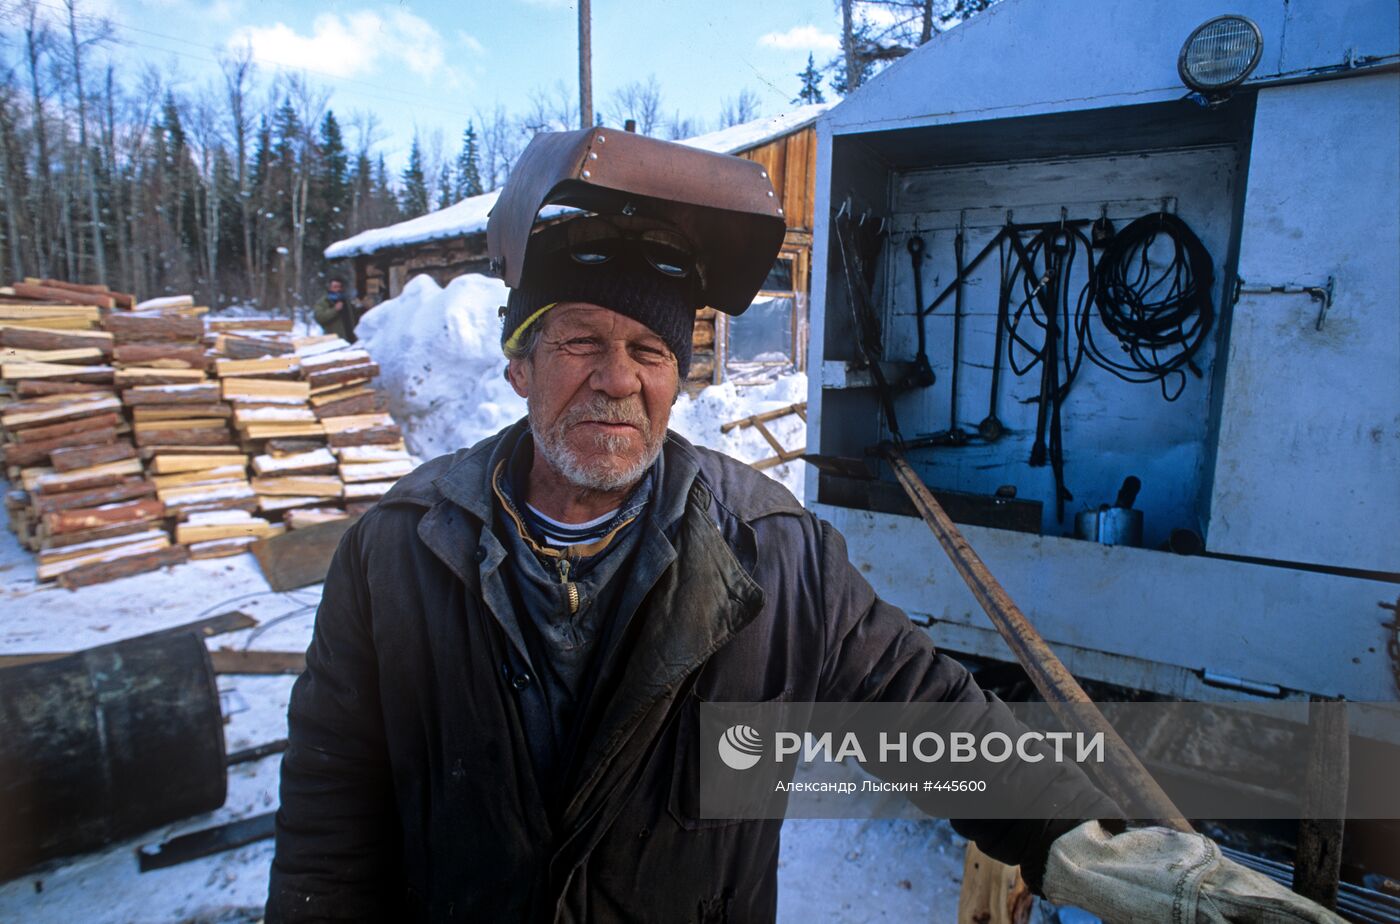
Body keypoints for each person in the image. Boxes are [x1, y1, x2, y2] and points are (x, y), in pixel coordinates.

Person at [267, 129, 1339, 923]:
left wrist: (1093, 849)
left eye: (647, 352)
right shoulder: (399, 549)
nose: (614, 380)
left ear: (679, 381)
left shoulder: (768, 549)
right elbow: (331, 804)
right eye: (579, 341)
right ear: (519, 364)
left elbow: (941, 726)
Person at [312, 276, 363, 342]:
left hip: (351, 338)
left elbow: (356, 316)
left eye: (340, 287)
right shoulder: (324, 302)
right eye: (335, 287)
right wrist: (335, 310)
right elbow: (320, 318)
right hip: (334, 339)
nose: (338, 289)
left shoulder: (347, 301)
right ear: (329, 288)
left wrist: (359, 306)